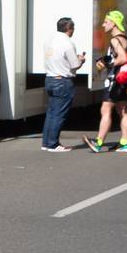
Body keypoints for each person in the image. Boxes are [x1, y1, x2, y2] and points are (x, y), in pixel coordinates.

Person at [84, 10, 127, 153]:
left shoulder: (115, 39)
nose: (103, 24)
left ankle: (98, 143)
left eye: (106, 22)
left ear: (113, 23)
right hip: (124, 80)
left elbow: (123, 58)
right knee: (123, 111)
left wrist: (107, 65)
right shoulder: (125, 38)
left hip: (116, 80)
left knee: (105, 110)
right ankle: (125, 143)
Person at [41, 16, 83, 152]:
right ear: (69, 29)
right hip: (63, 81)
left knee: (51, 112)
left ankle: (46, 143)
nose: (73, 31)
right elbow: (75, 65)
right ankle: (53, 144)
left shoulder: (49, 40)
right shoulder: (67, 43)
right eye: (73, 28)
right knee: (59, 114)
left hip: (50, 78)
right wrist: (81, 59)